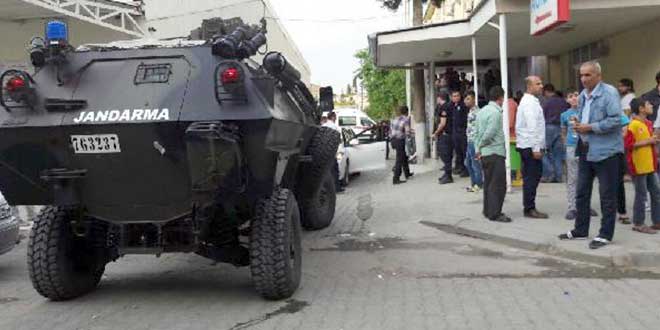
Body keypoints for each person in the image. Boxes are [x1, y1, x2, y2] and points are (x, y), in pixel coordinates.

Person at [559, 61, 624, 250]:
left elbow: (615, 120)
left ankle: (605, 234)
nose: (583, 79)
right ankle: (580, 230)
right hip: (585, 149)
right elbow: (582, 115)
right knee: (581, 192)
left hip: (606, 151)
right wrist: (577, 122)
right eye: (581, 75)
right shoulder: (583, 95)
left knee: (606, 195)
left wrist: (590, 127)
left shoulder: (609, 93)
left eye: (588, 75)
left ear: (598, 76)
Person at [561, 89, 599, 220]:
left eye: (576, 95)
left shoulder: (586, 111)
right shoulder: (565, 115)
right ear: (567, 100)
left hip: (587, 147)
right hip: (572, 147)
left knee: (587, 178)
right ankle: (572, 207)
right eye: (570, 96)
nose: (574, 98)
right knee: (572, 178)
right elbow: (563, 131)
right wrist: (566, 144)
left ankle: (585, 205)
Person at [475, 86, 511, 223]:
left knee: (489, 183)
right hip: (495, 152)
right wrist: (483, 144)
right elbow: (489, 133)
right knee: (498, 184)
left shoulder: (482, 111)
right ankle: (495, 213)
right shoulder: (495, 113)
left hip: (485, 154)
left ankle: (487, 210)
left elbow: (476, 132)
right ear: (500, 98)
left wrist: (478, 148)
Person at [624, 98, 660, 234]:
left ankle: (657, 221)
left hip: (650, 164)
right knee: (641, 195)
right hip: (638, 166)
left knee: (656, 192)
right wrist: (648, 141)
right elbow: (628, 145)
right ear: (641, 109)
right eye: (648, 104)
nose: (651, 105)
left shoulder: (648, 123)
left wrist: (653, 140)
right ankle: (638, 223)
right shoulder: (632, 125)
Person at [516, 76, 548, 219]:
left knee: (534, 176)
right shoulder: (529, 103)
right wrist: (536, 148)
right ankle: (529, 208)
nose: (541, 86)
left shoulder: (532, 101)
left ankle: (529, 206)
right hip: (529, 146)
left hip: (529, 144)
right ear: (529, 86)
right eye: (538, 84)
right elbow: (532, 126)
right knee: (531, 177)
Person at [541, 84, 569, 183]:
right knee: (558, 154)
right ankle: (558, 176)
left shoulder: (547, 103)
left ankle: (550, 171)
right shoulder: (564, 102)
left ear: (546, 91)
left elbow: (542, 116)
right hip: (561, 128)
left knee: (542, 151)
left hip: (549, 127)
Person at [433, 93, 455, 184]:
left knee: (445, 154)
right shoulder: (448, 106)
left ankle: (448, 175)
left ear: (439, 98)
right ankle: (447, 174)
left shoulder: (444, 107)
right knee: (446, 155)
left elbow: (443, 123)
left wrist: (436, 133)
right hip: (448, 134)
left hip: (445, 135)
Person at [390, 106, 414, 185]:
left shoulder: (395, 119)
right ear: (407, 112)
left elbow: (392, 130)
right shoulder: (406, 120)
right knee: (399, 159)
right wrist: (411, 134)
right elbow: (407, 132)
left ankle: (407, 173)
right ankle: (396, 178)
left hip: (393, 140)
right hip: (400, 140)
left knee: (403, 157)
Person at [464, 91, 482, 192]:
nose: (466, 101)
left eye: (468, 99)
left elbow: (479, 128)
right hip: (469, 140)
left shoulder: (477, 112)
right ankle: (474, 183)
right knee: (468, 163)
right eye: (465, 99)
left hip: (474, 141)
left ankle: (478, 184)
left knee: (475, 164)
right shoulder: (470, 111)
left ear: (474, 99)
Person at [322, 112, 344, 192]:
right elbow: (338, 140)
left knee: (327, 171)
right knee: (335, 171)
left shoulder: (324, 126)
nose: (336, 119)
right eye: (335, 117)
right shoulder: (334, 127)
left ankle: (329, 189)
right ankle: (336, 188)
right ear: (333, 117)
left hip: (323, 152)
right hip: (331, 152)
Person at [449, 91, 470, 177]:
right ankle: (460, 167)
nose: (456, 97)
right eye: (454, 96)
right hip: (455, 132)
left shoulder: (463, 106)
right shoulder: (452, 106)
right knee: (458, 152)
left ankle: (466, 169)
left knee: (464, 151)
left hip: (462, 131)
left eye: (457, 96)